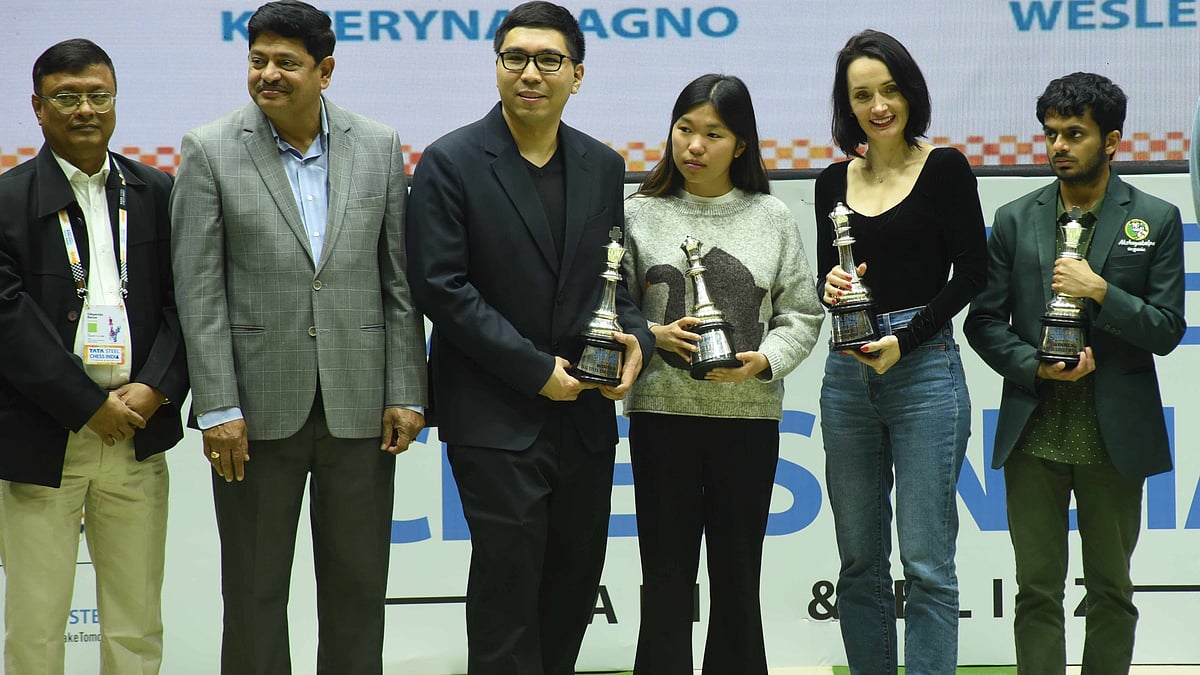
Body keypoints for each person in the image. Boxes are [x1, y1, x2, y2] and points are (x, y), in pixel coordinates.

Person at [169, 1, 427, 672]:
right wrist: (218, 405)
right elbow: (199, 293)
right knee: (253, 593)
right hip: (253, 412)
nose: (268, 75)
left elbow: (398, 282)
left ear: (326, 70)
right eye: (258, 61)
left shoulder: (378, 143)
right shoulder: (208, 148)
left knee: (359, 590)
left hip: (361, 408)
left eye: (287, 62)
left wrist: (406, 388)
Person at [404, 2, 654, 673]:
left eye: (549, 60)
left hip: (586, 418)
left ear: (578, 74)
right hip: (494, 415)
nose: (531, 73)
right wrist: (535, 368)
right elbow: (441, 287)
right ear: (497, 69)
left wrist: (636, 341)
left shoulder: (603, 165)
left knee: (571, 587)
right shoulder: (450, 161)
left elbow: (614, 285)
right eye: (515, 57)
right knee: (506, 591)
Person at [965, 72, 1185, 673]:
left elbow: (1167, 329)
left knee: (1111, 591)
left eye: (1075, 134)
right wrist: (1034, 367)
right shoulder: (1014, 218)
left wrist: (1101, 292)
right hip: (1035, 428)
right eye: (1051, 134)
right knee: (1036, 590)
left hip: (1114, 433)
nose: (1059, 146)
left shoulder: (1156, 218)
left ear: (1111, 141)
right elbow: (983, 322)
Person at [619, 73, 823, 675]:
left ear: (741, 144)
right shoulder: (637, 212)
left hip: (747, 422)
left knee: (738, 578)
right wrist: (652, 336)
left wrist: (766, 362)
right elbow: (614, 309)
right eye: (685, 129)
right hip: (661, 416)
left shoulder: (772, 215)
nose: (694, 146)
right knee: (665, 579)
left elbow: (801, 314)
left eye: (713, 133)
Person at [0, 38, 187, 674]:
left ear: (115, 100)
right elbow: (8, 322)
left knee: (135, 626)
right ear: (37, 107)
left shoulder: (158, 190)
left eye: (98, 95)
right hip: (42, 436)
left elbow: (188, 305)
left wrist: (156, 387)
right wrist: (86, 406)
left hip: (134, 433)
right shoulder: (7, 201)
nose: (86, 109)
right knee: (36, 623)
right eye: (67, 97)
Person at [814, 29, 987, 673]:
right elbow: (836, 282)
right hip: (845, 372)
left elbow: (973, 274)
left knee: (926, 561)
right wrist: (829, 289)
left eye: (889, 90)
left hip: (924, 371)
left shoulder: (944, 167)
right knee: (859, 559)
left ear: (910, 91)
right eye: (862, 95)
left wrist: (905, 341)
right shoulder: (831, 181)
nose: (878, 105)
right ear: (847, 105)